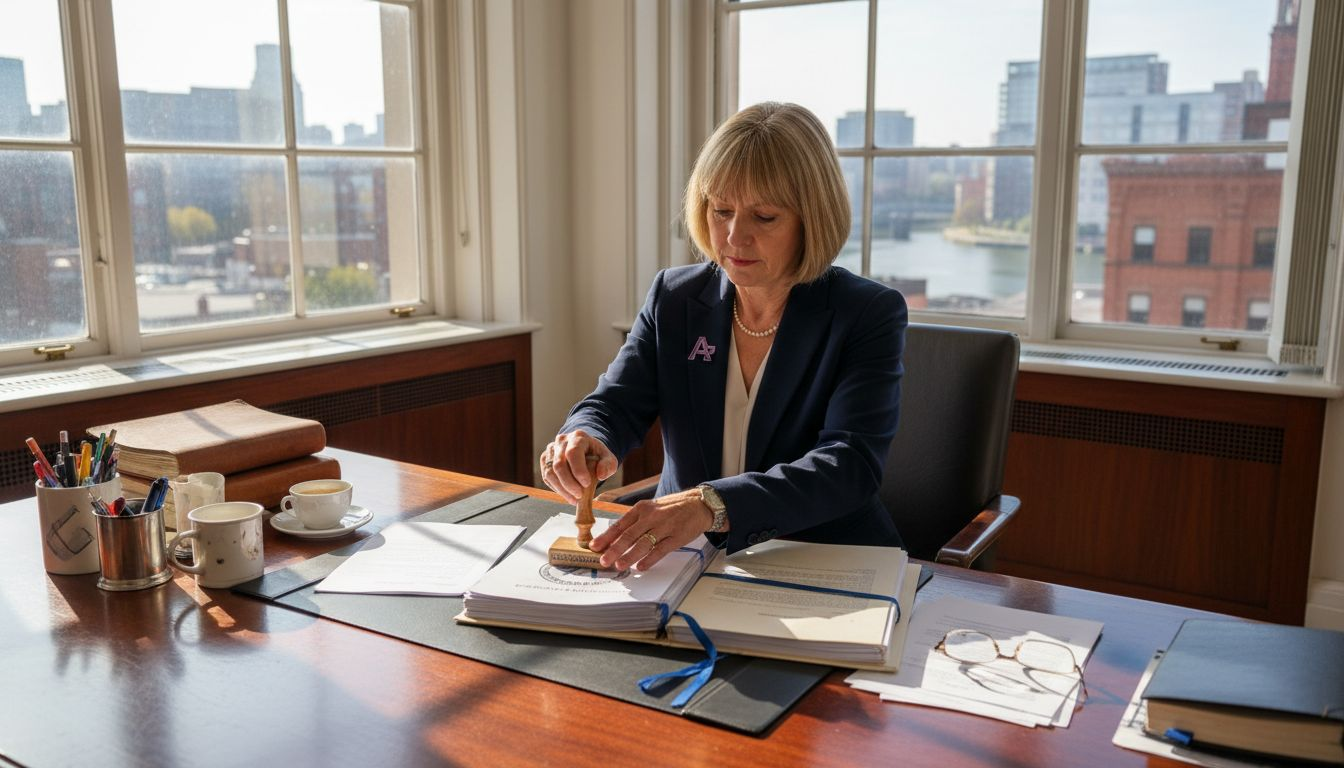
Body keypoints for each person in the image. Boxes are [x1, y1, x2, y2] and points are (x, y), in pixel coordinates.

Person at [540, 102, 907, 573]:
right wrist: (585, 435)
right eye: (722, 210)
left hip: (820, 559)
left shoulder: (867, 313)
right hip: (681, 559)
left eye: (765, 217)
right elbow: (614, 403)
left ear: (812, 218)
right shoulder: (673, 297)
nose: (734, 237)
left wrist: (712, 504)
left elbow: (849, 465)